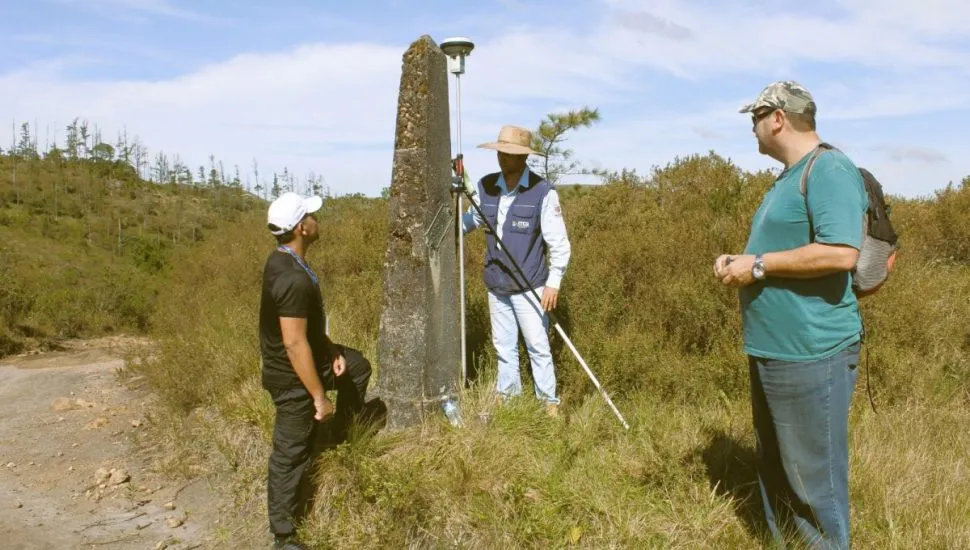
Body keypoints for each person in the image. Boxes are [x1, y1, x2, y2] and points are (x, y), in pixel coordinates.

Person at [714, 81, 868, 549]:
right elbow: (782, 251)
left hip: (811, 351)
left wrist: (757, 265)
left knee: (812, 483)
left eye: (755, 118)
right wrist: (739, 261)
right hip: (775, 349)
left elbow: (841, 253)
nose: (753, 129)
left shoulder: (829, 168)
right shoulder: (789, 175)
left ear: (776, 117)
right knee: (779, 473)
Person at [259, 192, 373, 549]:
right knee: (289, 452)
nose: (316, 219)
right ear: (301, 228)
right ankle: (283, 535)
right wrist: (319, 397)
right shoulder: (291, 278)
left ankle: (336, 439)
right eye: (311, 215)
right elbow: (294, 343)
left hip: (309, 360)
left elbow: (308, 331)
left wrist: (333, 349)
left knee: (356, 367)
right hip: (293, 377)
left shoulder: (287, 260)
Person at [460, 124, 571, 417]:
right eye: (500, 152)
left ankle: (548, 403)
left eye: (509, 154)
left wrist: (554, 283)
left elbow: (559, 243)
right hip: (497, 284)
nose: (502, 158)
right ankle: (509, 402)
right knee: (503, 348)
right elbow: (472, 219)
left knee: (537, 346)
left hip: (531, 284)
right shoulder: (485, 187)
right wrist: (453, 229)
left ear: (523, 158)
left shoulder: (542, 192)